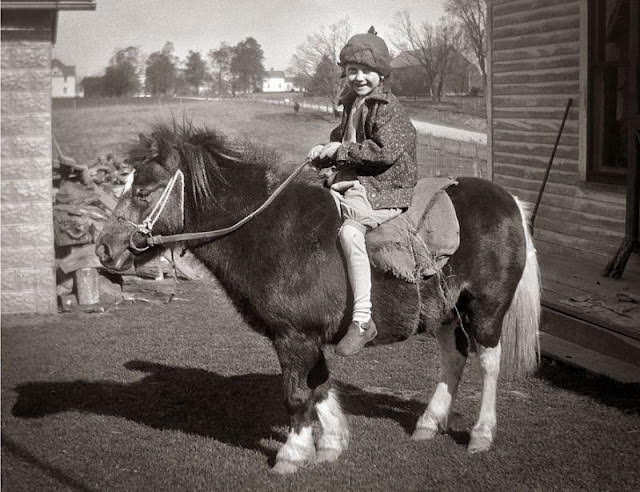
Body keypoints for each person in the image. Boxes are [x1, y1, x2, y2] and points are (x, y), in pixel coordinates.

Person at [308, 27, 417, 356]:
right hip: (354, 180)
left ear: (381, 73)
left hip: (386, 187)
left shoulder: (390, 109)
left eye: (367, 71)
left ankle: (362, 320)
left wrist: (337, 152)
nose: (359, 77)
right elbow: (340, 138)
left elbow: (382, 152)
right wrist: (323, 154)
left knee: (351, 234)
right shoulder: (352, 103)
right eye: (352, 70)